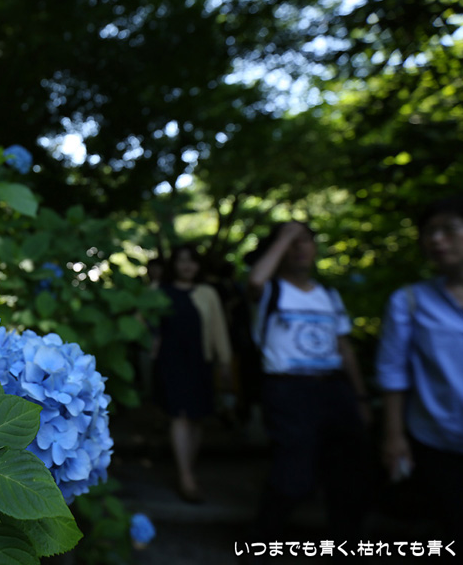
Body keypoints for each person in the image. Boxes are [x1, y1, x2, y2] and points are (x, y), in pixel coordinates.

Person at [245, 221, 370, 544]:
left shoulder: (329, 295)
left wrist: (359, 397)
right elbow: (255, 279)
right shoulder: (271, 290)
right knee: (293, 473)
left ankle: (345, 545)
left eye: (306, 241)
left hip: (333, 388)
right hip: (287, 389)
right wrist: (284, 234)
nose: (299, 247)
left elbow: (344, 347)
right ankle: (262, 540)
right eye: (291, 242)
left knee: (347, 474)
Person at [375, 196, 463, 543]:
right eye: (429, 233)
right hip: (438, 442)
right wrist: (393, 436)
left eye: (448, 230)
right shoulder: (409, 301)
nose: (436, 240)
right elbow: (392, 371)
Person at [152, 244, 232, 503]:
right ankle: (185, 477)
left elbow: (218, 328)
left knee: (197, 417)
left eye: (192, 261)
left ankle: (188, 466)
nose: (187, 266)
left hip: (200, 361)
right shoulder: (158, 291)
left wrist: (225, 361)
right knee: (180, 415)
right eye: (181, 260)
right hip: (170, 361)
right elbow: (142, 323)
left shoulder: (208, 293)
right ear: (173, 264)